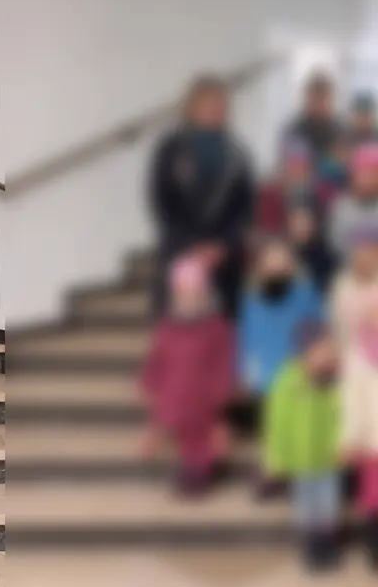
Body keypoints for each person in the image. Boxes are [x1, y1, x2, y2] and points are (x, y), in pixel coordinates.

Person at [147, 74, 257, 320]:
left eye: (220, 103)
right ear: (191, 106)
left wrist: (224, 246)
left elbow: (245, 208)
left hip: (225, 265)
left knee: (223, 335)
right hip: (180, 258)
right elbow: (162, 203)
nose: (214, 109)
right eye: (207, 103)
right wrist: (191, 245)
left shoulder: (238, 153)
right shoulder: (170, 150)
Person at [140, 257, 236, 497]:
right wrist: (150, 381)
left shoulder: (216, 327)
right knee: (183, 432)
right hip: (176, 389)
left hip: (204, 391)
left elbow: (224, 359)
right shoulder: (167, 327)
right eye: (184, 293)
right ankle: (188, 466)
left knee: (202, 432)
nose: (189, 298)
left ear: (204, 294)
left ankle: (203, 469)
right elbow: (157, 358)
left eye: (194, 293)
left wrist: (223, 388)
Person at [261, 321, 343, 571]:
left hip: (329, 457)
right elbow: (277, 423)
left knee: (328, 503)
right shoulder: (287, 380)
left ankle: (327, 543)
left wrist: (344, 443)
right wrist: (276, 458)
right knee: (306, 505)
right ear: (304, 351)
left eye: (329, 349)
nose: (326, 354)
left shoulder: (336, 382)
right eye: (321, 349)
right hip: (301, 459)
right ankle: (311, 546)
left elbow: (341, 415)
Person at [235, 237, 323, 444]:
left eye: (281, 258)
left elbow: (317, 330)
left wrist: (311, 364)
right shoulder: (251, 299)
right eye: (271, 259)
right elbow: (245, 339)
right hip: (263, 378)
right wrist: (243, 374)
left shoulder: (306, 293)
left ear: (290, 262)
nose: (276, 264)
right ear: (262, 264)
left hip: (297, 373)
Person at [330, 224, 378, 564]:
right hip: (371, 441)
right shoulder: (358, 361)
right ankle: (373, 546)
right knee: (372, 496)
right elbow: (351, 404)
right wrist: (349, 438)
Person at [256, 137, 334, 236]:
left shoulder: (320, 193)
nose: (296, 170)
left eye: (301, 164)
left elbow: (324, 228)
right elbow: (267, 229)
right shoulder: (270, 194)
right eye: (292, 164)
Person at [284, 72, 343, 187]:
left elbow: (342, 165)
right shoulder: (295, 131)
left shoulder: (339, 130)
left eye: (324, 98)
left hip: (335, 191)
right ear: (308, 99)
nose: (320, 104)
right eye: (316, 98)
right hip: (302, 191)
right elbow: (293, 171)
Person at [328, 144, 378, 262]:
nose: (368, 179)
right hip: (349, 269)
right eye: (363, 174)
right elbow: (335, 242)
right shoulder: (340, 206)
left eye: (373, 175)